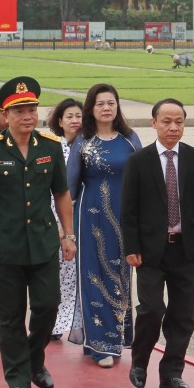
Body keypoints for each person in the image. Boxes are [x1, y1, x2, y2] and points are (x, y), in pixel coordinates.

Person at [0, 77, 75, 388]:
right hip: (5, 245)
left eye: (31, 108)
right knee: (11, 316)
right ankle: (18, 379)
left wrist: (68, 235)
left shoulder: (51, 145)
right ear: (4, 114)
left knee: (47, 306)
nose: (28, 115)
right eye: (19, 110)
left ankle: (34, 360)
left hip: (43, 242)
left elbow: (62, 194)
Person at [122, 98, 194, 388]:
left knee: (183, 314)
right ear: (154, 124)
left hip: (186, 248)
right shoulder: (140, 160)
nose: (173, 127)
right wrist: (131, 247)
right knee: (151, 309)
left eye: (179, 122)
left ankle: (171, 373)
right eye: (166, 121)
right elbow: (129, 210)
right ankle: (139, 362)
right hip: (150, 251)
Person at [66, 86, 142, 366]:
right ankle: (101, 346)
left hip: (125, 219)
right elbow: (68, 187)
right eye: (100, 104)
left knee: (120, 277)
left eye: (111, 103)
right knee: (93, 278)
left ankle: (116, 338)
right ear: (91, 108)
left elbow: (144, 178)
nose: (106, 108)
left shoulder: (130, 139)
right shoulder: (83, 141)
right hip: (91, 219)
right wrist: (66, 231)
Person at [46, 97, 83, 342]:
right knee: (59, 275)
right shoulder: (53, 148)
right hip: (56, 219)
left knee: (78, 275)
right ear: (60, 121)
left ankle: (76, 323)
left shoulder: (88, 145)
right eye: (69, 116)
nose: (75, 121)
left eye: (79, 116)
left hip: (83, 218)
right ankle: (55, 323)